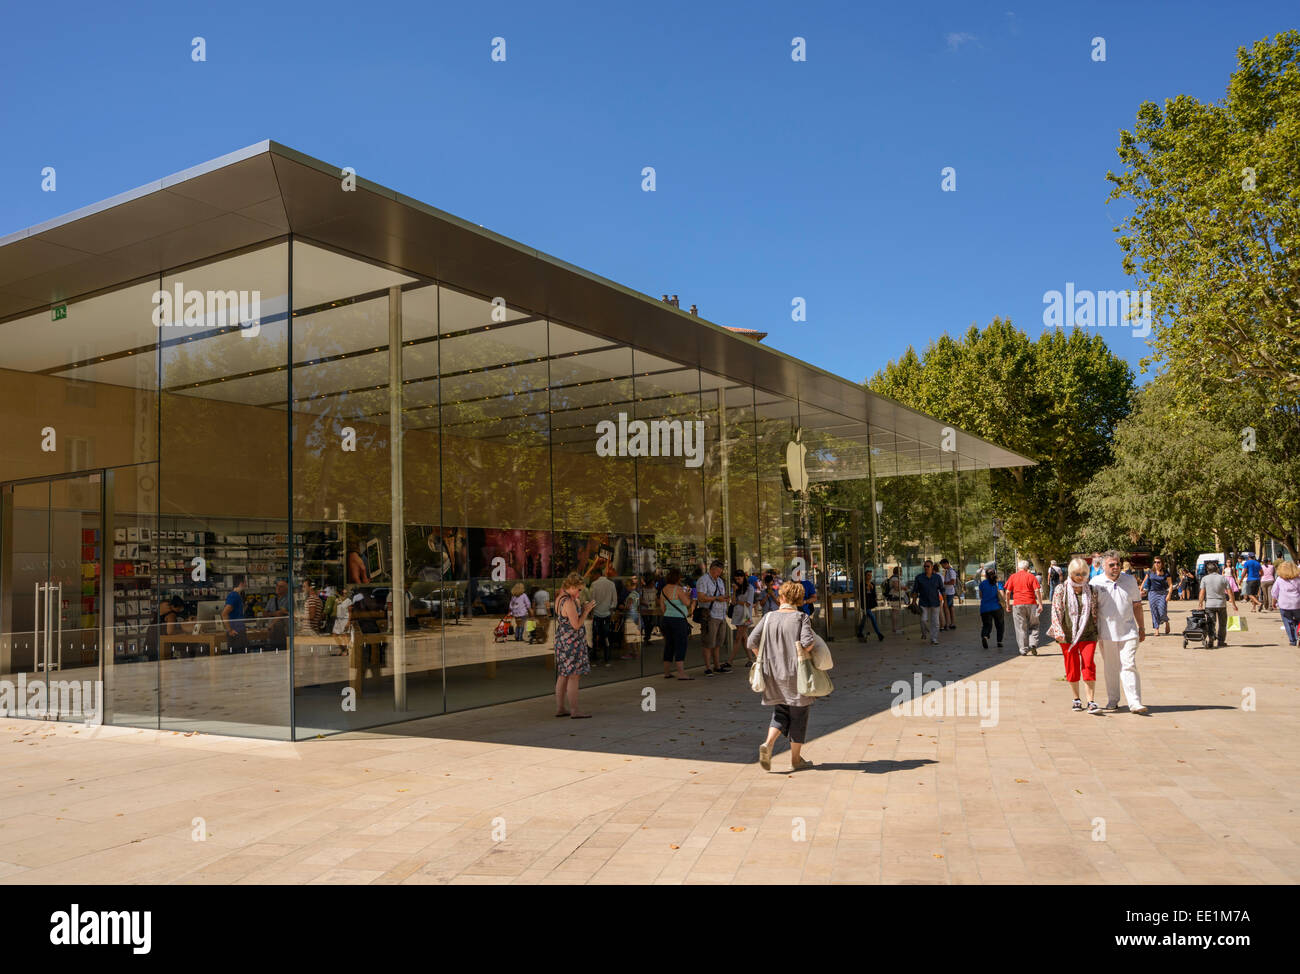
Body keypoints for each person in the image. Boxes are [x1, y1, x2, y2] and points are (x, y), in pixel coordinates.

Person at [748, 580, 819, 771]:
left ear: (782, 597)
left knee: (780, 712)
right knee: (799, 715)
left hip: (772, 673)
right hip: (796, 673)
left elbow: (751, 641)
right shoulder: (801, 618)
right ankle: (796, 760)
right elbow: (807, 643)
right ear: (799, 599)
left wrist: (764, 659)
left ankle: (768, 743)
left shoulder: (769, 617)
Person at [1091, 549, 1148, 715]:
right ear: (1104, 566)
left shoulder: (1129, 580)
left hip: (1128, 631)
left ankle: (1135, 702)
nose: (1116, 567)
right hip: (1106, 633)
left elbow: (1137, 605)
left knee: (1128, 664)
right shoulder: (1096, 582)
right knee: (1110, 667)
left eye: (1118, 564)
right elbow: (1092, 609)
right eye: (1112, 565)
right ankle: (1113, 700)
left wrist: (1142, 627)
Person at [1048, 557, 1103, 714]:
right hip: (1067, 635)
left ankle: (1091, 701)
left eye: (1084, 573)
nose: (1081, 576)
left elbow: (1096, 610)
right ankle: (1076, 699)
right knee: (1071, 666)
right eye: (1077, 573)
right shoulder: (1061, 589)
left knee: (1088, 664)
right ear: (1071, 573)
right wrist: (1057, 631)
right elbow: (1056, 610)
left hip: (1088, 633)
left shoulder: (1091, 589)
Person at [553, 573, 593, 718]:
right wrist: (586, 611)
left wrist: (581, 608)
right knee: (574, 676)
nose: (579, 592)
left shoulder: (560, 599)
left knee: (563, 674)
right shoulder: (569, 602)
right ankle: (575, 710)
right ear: (571, 587)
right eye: (578, 589)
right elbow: (576, 625)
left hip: (563, 640)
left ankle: (561, 708)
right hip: (572, 642)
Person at [658, 568, 695, 680]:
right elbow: (687, 603)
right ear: (678, 578)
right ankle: (681, 673)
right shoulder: (679, 589)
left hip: (666, 619)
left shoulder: (663, 590)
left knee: (669, 645)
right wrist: (689, 595)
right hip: (678, 620)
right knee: (681, 645)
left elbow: (662, 607)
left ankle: (666, 672)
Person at [696, 560, 731, 675]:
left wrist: (725, 598)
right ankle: (708, 667)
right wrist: (717, 598)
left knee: (718, 642)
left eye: (720, 572)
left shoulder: (720, 581)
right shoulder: (703, 580)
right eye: (717, 572)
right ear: (711, 569)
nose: (718, 574)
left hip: (721, 614)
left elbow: (720, 596)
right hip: (710, 615)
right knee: (708, 642)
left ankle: (717, 665)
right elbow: (701, 598)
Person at [1197, 560, 1239, 648]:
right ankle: (1221, 641)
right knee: (1222, 624)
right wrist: (1233, 604)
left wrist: (1200, 604)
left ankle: (1211, 640)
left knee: (1211, 623)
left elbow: (1202, 592)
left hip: (1210, 605)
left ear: (1207, 570)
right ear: (1217, 569)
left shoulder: (1204, 579)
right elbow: (1230, 592)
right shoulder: (1223, 578)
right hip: (1222, 604)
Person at [1005, 560, 1042, 656]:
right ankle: (1033, 643)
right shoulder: (1031, 576)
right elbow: (1037, 590)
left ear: (1018, 568)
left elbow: (1008, 592)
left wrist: (1008, 605)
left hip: (1018, 604)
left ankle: (1023, 649)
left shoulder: (1013, 577)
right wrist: (1040, 604)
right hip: (1031, 603)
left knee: (1021, 627)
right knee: (1035, 624)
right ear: (1027, 568)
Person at [910, 560, 945, 645]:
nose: (926, 568)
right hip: (923, 602)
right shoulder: (919, 577)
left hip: (935, 602)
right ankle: (924, 633)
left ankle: (934, 638)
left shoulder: (937, 577)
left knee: (935, 622)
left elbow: (942, 589)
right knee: (923, 620)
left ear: (932, 567)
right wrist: (913, 602)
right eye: (925, 566)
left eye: (928, 566)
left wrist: (945, 601)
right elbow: (915, 591)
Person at [728, 569, 759, 666]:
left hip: (745, 615)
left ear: (743, 578)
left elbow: (748, 604)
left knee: (738, 638)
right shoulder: (737, 588)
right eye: (736, 579)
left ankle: (730, 661)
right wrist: (734, 592)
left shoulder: (749, 588)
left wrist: (737, 602)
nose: (738, 581)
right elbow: (732, 602)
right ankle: (751, 659)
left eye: (739, 578)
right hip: (737, 614)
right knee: (744, 638)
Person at [589, 569, 618, 666]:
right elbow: (615, 600)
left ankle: (594, 657)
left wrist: (592, 612)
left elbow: (592, 600)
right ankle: (607, 657)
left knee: (595, 636)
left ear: (597, 574)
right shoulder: (611, 584)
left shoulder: (594, 584)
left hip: (597, 614)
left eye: (593, 575)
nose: (592, 577)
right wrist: (611, 610)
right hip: (607, 614)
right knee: (606, 636)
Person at [1141, 556, 1172, 636]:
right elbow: (1145, 581)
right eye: (1155, 562)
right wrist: (1141, 589)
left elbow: (1170, 584)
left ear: (1162, 563)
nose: (1156, 564)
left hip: (1162, 593)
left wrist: (1169, 594)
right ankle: (1156, 629)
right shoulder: (1150, 572)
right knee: (1154, 611)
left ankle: (1166, 622)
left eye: (1158, 562)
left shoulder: (1166, 572)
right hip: (1152, 593)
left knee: (1162, 611)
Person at [1273, 560, 1300, 646]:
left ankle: (1293, 640)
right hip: (1297, 603)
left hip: (1284, 604)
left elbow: (1274, 592)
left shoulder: (1279, 580)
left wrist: (1274, 602)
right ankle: (1298, 635)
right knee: (1298, 621)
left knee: (1288, 622)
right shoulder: (1298, 580)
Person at [978, 568, 1006, 649]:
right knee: (1000, 624)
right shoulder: (997, 583)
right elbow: (1002, 595)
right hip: (997, 607)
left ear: (986, 575)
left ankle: (985, 636)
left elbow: (981, 596)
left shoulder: (982, 584)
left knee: (986, 625)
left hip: (985, 608)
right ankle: (999, 641)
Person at [221, 575, 249, 653]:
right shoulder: (234, 596)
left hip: (238, 630)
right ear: (241, 583)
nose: (246, 585)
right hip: (236, 632)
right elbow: (224, 614)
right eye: (245, 582)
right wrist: (230, 630)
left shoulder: (238, 596)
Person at [856, 574, 884, 642]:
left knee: (864, 618)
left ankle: (859, 632)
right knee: (872, 617)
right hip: (864, 604)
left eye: (871, 575)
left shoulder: (872, 584)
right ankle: (878, 634)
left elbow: (874, 594)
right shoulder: (862, 584)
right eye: (868, 575)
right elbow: (861, 594)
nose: (870, 576)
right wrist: (866, 589)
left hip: (869, 603)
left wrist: (871, 589)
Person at [939, 558, 958, 630]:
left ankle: (947, 624)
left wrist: (944, 583)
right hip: (949, 591)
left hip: (949, 592)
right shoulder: (948, 571)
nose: (942, 567)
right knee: (950, 607)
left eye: (942, 565)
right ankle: (952, 623)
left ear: (946, 563)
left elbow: (953, 582)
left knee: (945, 607)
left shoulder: (951, 571)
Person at [885, 566, 905, 633]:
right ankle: (895, 628)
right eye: (901, 571)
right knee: (895, 612)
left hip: (897, 597)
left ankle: (896, 628)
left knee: (896, 612)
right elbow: (896, 588)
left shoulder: (896, 578)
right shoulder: (894, 578)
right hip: (895, 597)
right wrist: (904, 588)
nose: (902, 572)